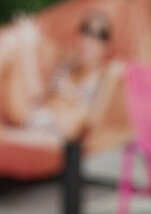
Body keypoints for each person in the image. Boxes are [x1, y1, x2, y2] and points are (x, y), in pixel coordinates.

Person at [0, 10, 119, 146]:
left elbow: (94, 121)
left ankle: (26, 43)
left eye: (99, 35)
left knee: (18, 42)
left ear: (106, 46)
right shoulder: (66, 61)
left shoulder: (108, 73)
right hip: (36, 116)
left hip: (59, 132)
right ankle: (26, 41)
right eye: (86, 31)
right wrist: (30, 43)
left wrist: (70, 105)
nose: (89, 40)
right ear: (78, 36)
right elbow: (38, 96)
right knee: (10, 39)